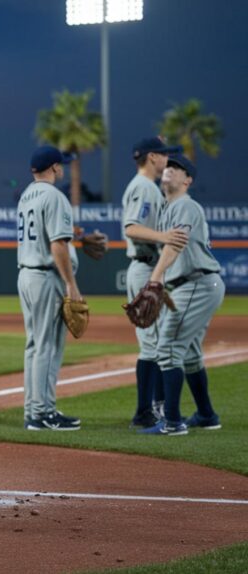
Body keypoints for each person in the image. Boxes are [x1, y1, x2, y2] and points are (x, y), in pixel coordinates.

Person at [139, 155, 224, 436]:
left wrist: (155, 279)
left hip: (197, 283)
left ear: (187, 181)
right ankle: (207, 415)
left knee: (168, 349)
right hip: (195, 284)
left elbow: (176, 244)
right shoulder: (169, 207)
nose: (170, 170)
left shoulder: (185, 205)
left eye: (177, 169)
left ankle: (173, 422)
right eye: (169, 167)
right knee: (189, 354)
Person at [121, 137, 187, 428]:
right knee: (151, 346)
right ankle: (143, 412)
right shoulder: (145, 187)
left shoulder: (146, 186)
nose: (167, 161)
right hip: (145, 268)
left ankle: (155, 408)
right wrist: (164, 237)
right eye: (163, 155)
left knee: (158, 343)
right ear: (151, 158)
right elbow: (132, 227)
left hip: (150, 269)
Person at [16, 146, 84, 431]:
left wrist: (77, 238)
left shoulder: (26, 195)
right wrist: (71, 284)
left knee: (34, 345)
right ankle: (43, 413)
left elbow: (54, 237)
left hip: (26, 276)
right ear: (55, 167)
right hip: (46, 278)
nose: (64, 169)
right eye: (62, 165)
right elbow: (57, 244)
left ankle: (34, 409)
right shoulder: (55, 196)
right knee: (48, 346)